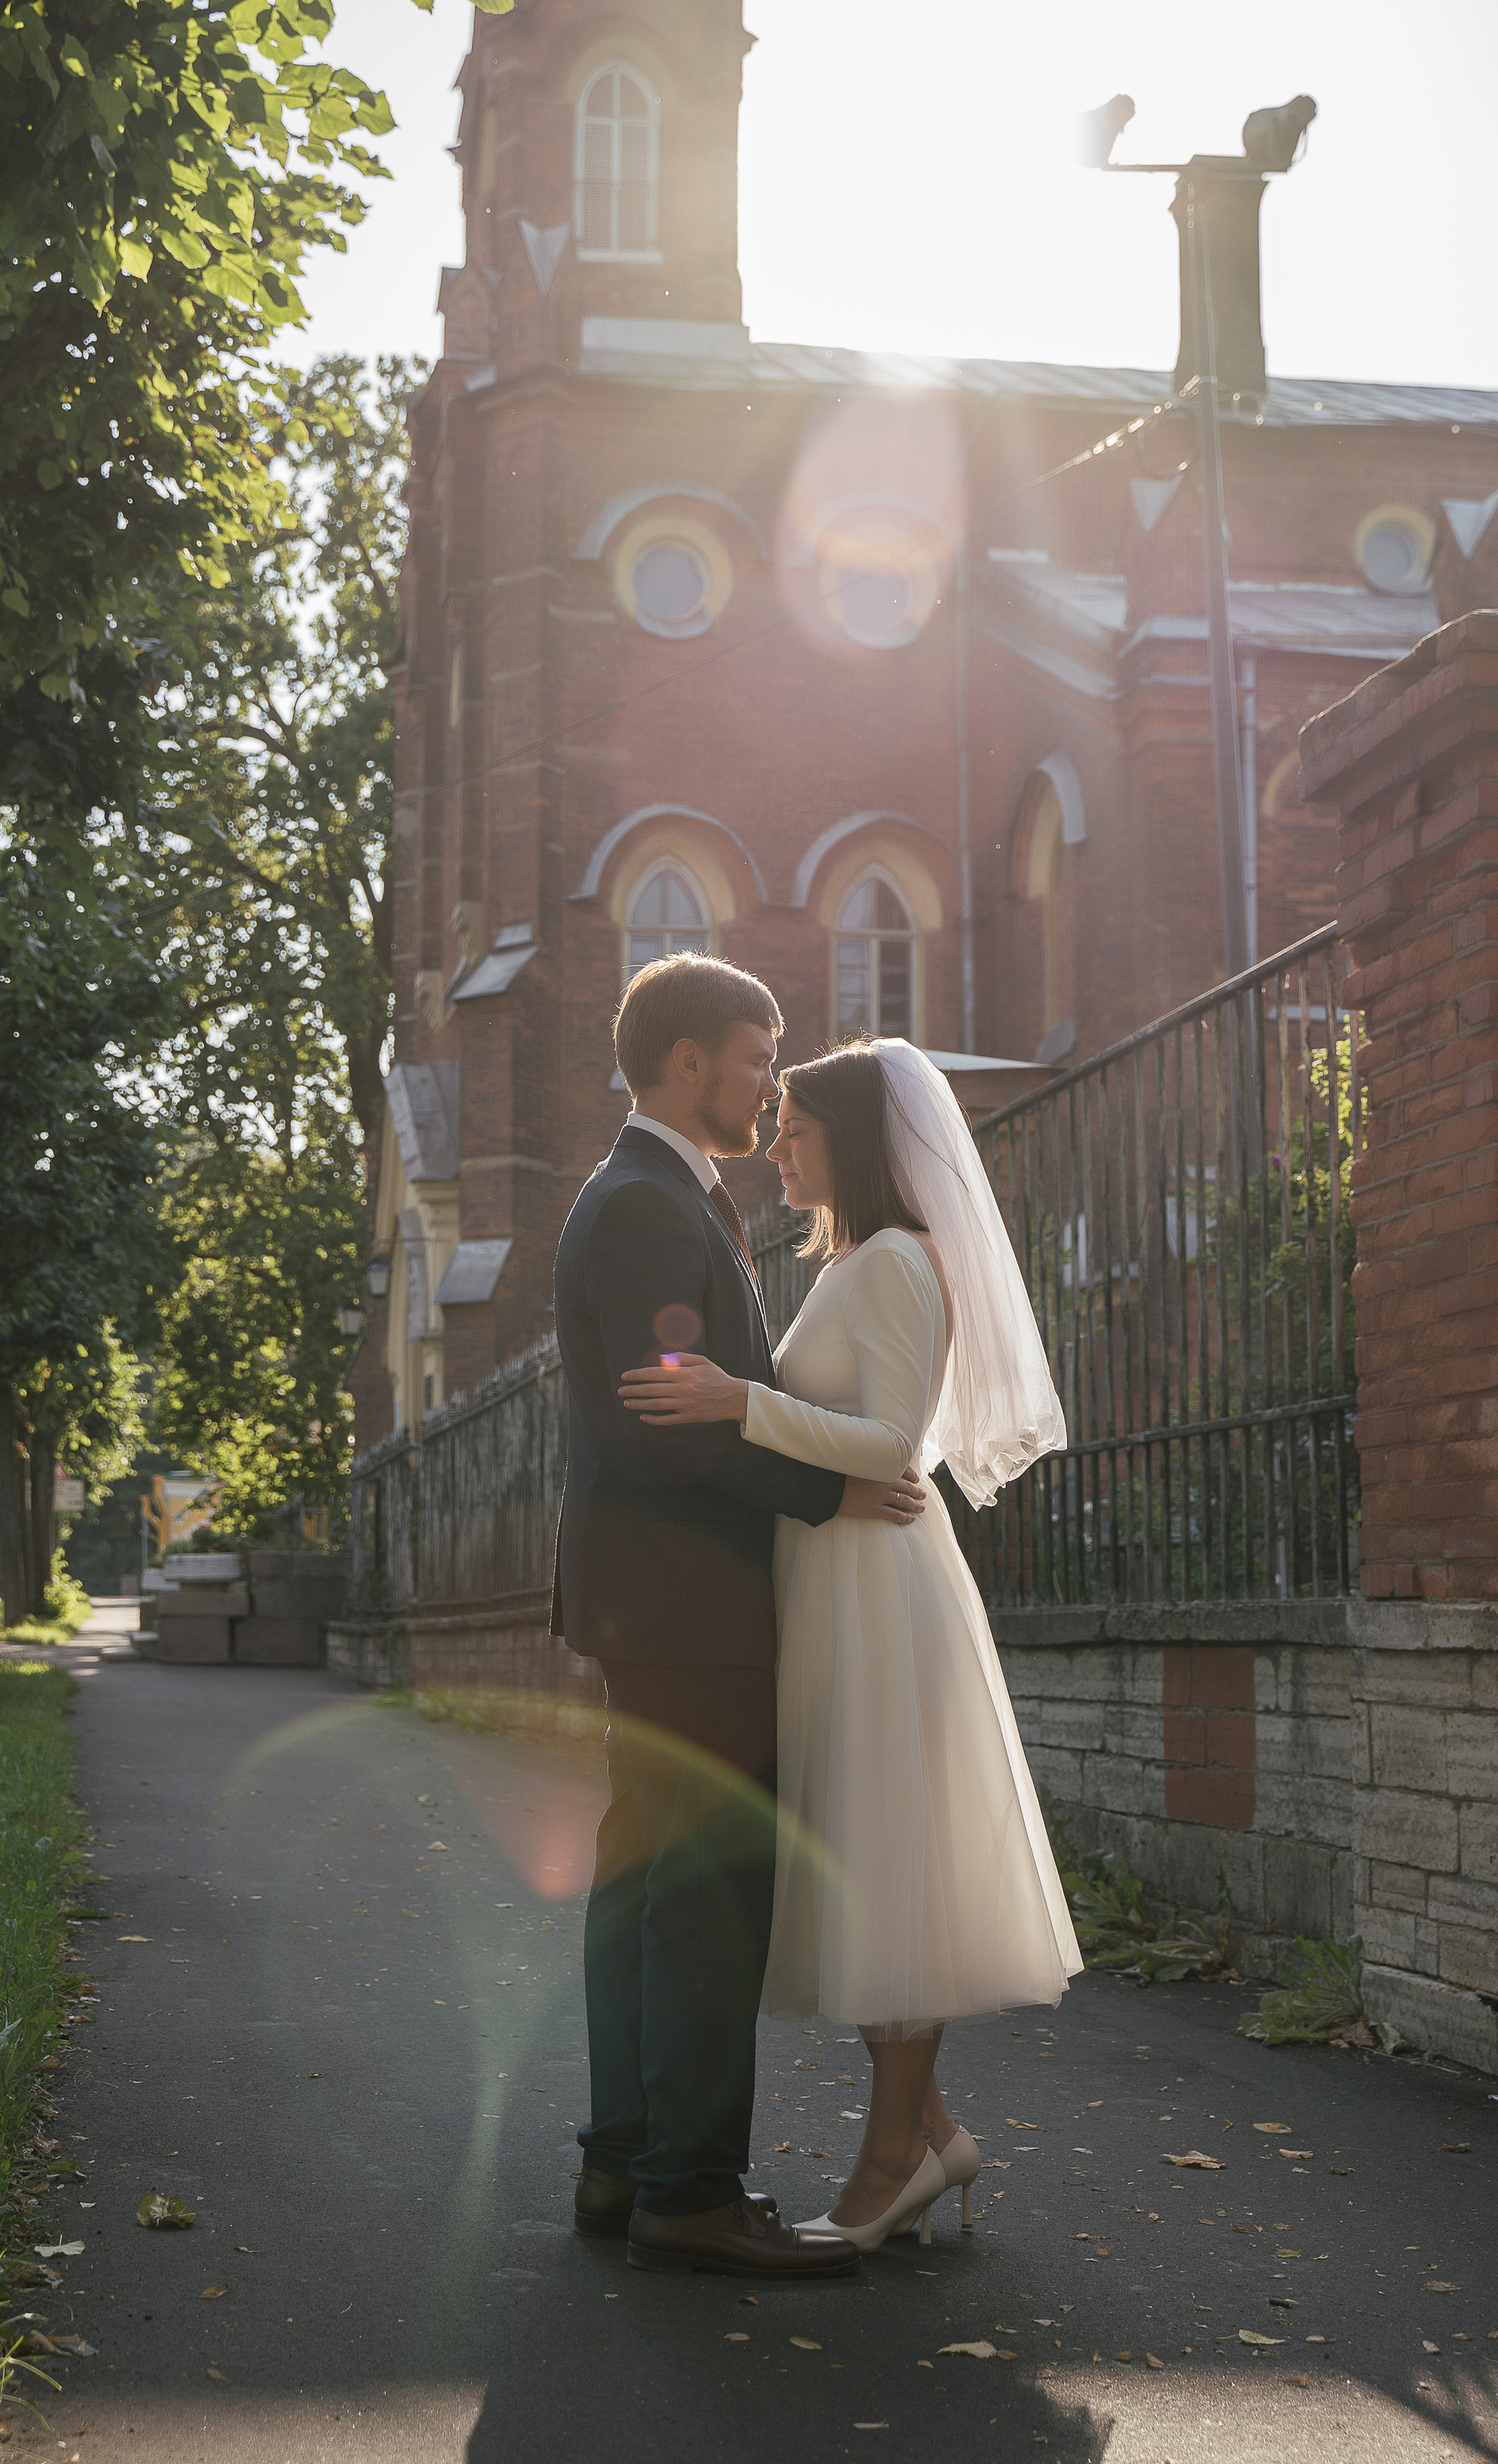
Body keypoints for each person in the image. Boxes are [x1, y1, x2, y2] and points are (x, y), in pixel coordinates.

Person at [619, 1036, 1082, 2252]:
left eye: (801, 1127)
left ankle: (891, 2165)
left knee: (888, 1867)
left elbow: (891, 1446)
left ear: (859, 1142)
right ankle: (932, 2136)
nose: (779, 1140)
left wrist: (735, 1399)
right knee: (862, 1865)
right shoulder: (850, 1260)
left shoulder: (893, 1262)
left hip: (879, 1590)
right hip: (833, 1583)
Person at [552, 955, 928, 2282]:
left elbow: (694, 1410)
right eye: (758, 1055)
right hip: (690, 1601)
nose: (772, 1083)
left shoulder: (652, 1195)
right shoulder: (652, 1209)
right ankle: (690, 2192)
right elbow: (674, 1431)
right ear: (688, 1061)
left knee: (646, 1877)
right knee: (705, 1890)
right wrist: (834, 1488)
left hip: (658, 1599)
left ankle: (625, 2163)